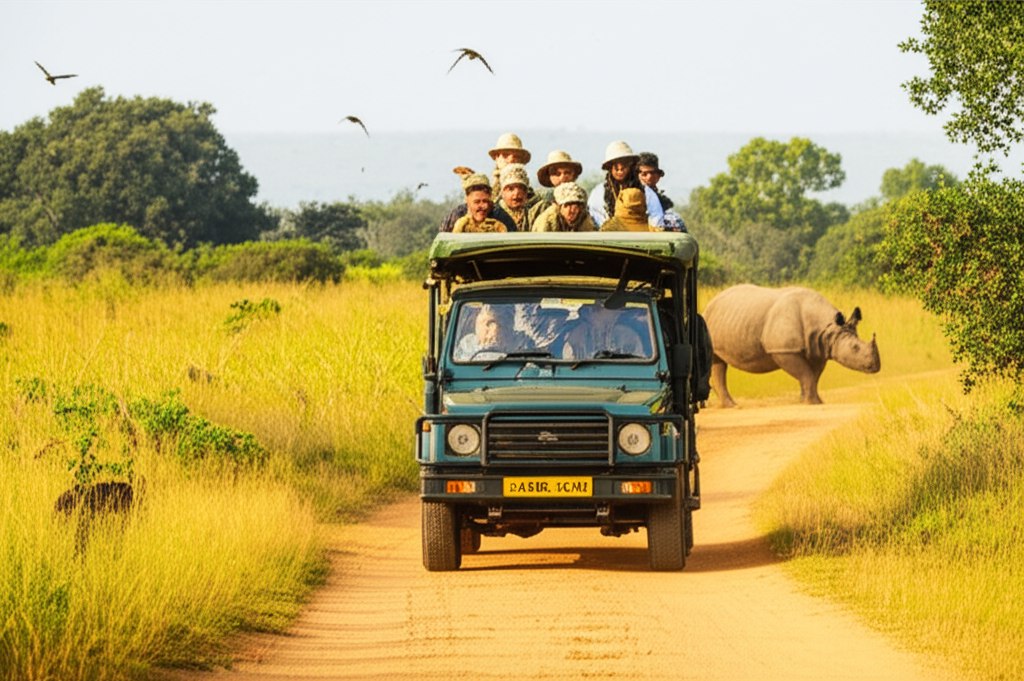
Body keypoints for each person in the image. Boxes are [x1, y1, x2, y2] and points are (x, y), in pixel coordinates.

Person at [588, 141, 665, 228]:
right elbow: (595, 219)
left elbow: (656, 221)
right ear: (609, 167)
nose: (620, 169)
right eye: (616, 165)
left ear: (631, 165)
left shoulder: (647, 193)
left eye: (624, 163)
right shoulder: (598, 193)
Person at [439, 168, 517, 232]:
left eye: (485, 201)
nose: (483, 206)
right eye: (477, 202)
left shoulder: (502, 218)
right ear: (467, 200)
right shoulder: (455, 217)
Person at [562, 304, 646, 361]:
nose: (616, 314)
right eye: (590, 310)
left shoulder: (626, 335)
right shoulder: (575, 334)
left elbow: (638, 363)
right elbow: (569, 364)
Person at [637, 152, 687, 232]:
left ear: (658, 177)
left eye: (652, 173)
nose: (648, 177)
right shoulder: (627, 197)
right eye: (644, 174)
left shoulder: (672, 219)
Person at [497, 164, 547, 232]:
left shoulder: (536, 212)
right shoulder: (495, 214)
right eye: (511, 189)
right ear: (502, 193)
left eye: (521, 188)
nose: (516, 193)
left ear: (526, 192)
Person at [532, 182, 597, 232]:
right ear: (559, 207)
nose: (571, 211)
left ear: (581, 208)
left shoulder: (586, 221)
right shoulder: (546, 223)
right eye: (566, 206)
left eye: (575, 207)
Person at [488, 133, 532, 201]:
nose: (511, 159)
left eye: (516, 156)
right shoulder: (487, 193)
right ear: (497, 158)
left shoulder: (531, 198)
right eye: (505, 155)